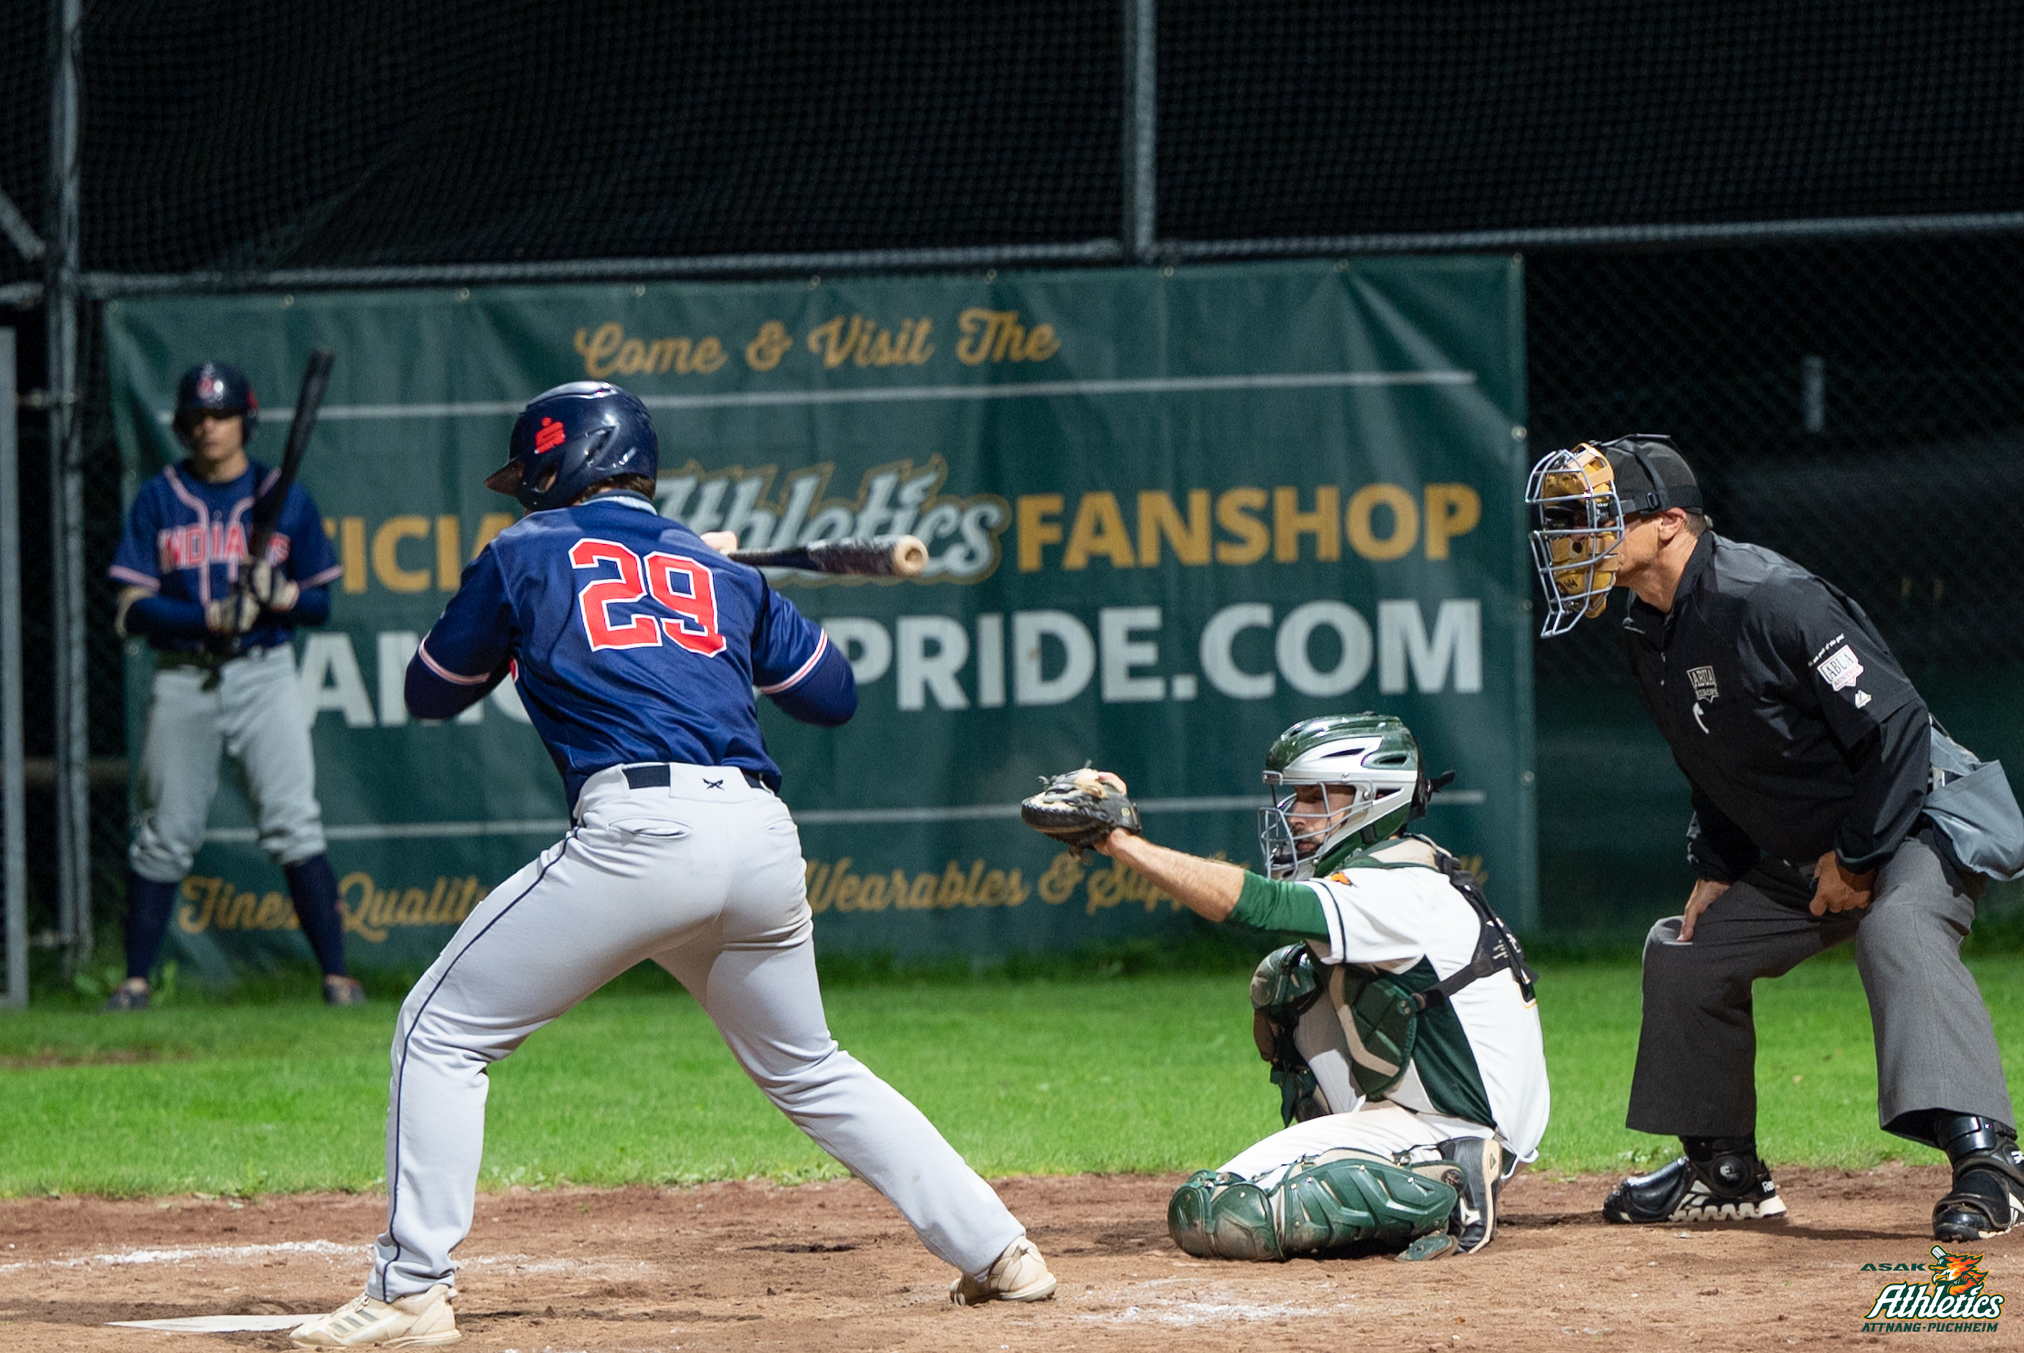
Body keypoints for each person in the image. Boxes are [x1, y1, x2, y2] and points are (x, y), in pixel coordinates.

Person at [289, 381, 1054, 1350]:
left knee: (437, 1035)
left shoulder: (525, 553)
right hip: (760, 842)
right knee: (811, 1068)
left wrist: (546, 620)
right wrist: (723, 597)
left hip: (641, 835)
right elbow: (831, 695)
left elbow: (430, 689)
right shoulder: (716, 571)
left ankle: (409, 1293)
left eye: (531, 477)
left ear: (565, 466)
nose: (523, 497)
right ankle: (1001, 1252)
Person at [1527, 434, 2024, 1240]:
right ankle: (1723, 1171)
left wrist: (1859, 858)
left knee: (1900, 925)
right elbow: (1714, 754)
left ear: (1669, 523)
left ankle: (1989, 1162)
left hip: (1917, 814)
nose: (1574, 543)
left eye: (1597, 519)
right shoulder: (1645, 628)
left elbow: (1894, 728)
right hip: (1816, 846)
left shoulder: (1770, 597)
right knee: (1688, 948)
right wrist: (1716, 864)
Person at [1040, 714, 1549, 1263]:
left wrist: (1121, 841)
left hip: (1459, 1123)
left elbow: (1259, 906)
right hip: (1421, 1112)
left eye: (1314, 797)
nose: (1295, 814)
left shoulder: (1398, 889)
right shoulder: (1397, 870)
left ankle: (1451, 1183)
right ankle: (1375, 1157)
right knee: (1287, 979)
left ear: (1372, 799)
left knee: (1225, 1215)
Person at [104, 360, 357, 1011]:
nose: (208, 426)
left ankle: (337, 977)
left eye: (219, 414)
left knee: (293, 822)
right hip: (185, 674)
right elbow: (131, 609)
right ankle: (135, 980)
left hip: (263, 671)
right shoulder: (160, 497)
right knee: (164, 829)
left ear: (245, 419)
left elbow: (320, 606)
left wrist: (281, 593)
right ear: (183, 426)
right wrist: (204, 616)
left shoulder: (283, 495)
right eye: (196, 416)